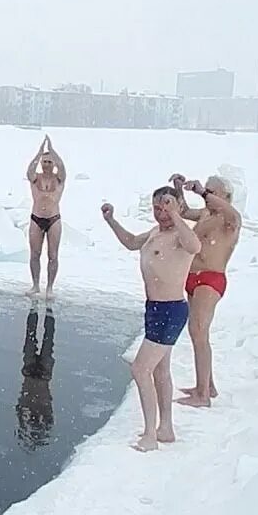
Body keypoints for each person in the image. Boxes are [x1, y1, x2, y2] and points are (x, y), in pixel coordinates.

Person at [101, 187, 201, 452]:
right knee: (160, 370)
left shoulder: (181, 236)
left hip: (171, 309)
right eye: (157, 208)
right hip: (155, 308)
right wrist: (111, 220)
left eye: (167, 206)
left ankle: (149, 435)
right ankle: (165, 428)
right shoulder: (156, 233)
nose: (162, 213)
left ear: (178, 206)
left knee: (140, 369)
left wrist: (176, 215)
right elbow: (132, 241)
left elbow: (195, 246)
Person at [169, 173, 242, 408]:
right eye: (206, 190)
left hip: (210, 279)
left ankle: (202, 396)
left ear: (225, 196)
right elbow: (182, 213)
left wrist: (202, 192)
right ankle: (207, 386)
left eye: (212, 192)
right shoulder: (205, 215)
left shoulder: (229, 219)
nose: (207, 195)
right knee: (198, 334)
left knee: (199, 330)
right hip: (192, 277)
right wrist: (179, 189)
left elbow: (234, 215)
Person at [26, 135, 66, 296]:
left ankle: (49, 287)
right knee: (35, 254)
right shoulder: (36, 178)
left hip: (53, 219)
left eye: (49, 162)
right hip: (36, 218)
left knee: (53, 255)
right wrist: (39, 153)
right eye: (44, 162)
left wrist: (53, 150)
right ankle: (35, 285)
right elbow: (29, 171)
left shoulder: (59, 179)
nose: (47, 165)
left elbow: (62, 167)